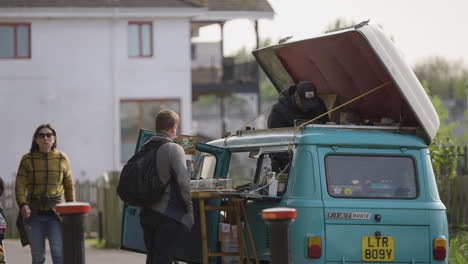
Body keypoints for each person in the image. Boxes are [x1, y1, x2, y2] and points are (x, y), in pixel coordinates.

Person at [15, 123, 75, 264]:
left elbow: (69, 185)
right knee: (38, 258)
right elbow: (20, 185)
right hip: (34, 214)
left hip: (56, 215)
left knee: (58, 254)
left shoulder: (62, 158)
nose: (45, 138)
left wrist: (72, 209)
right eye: (41, 135)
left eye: (49, 135)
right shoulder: (27, 159)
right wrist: (22, 204)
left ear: (54, 139)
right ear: (36, 139)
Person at [139, 109, 194, 264]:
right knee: (164, 257)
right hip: (166, 214)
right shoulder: (174, 148)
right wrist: (189, 211)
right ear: (173, 128)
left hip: (145, 212)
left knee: (152, 256)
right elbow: (183, 182)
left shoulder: (145, 146)